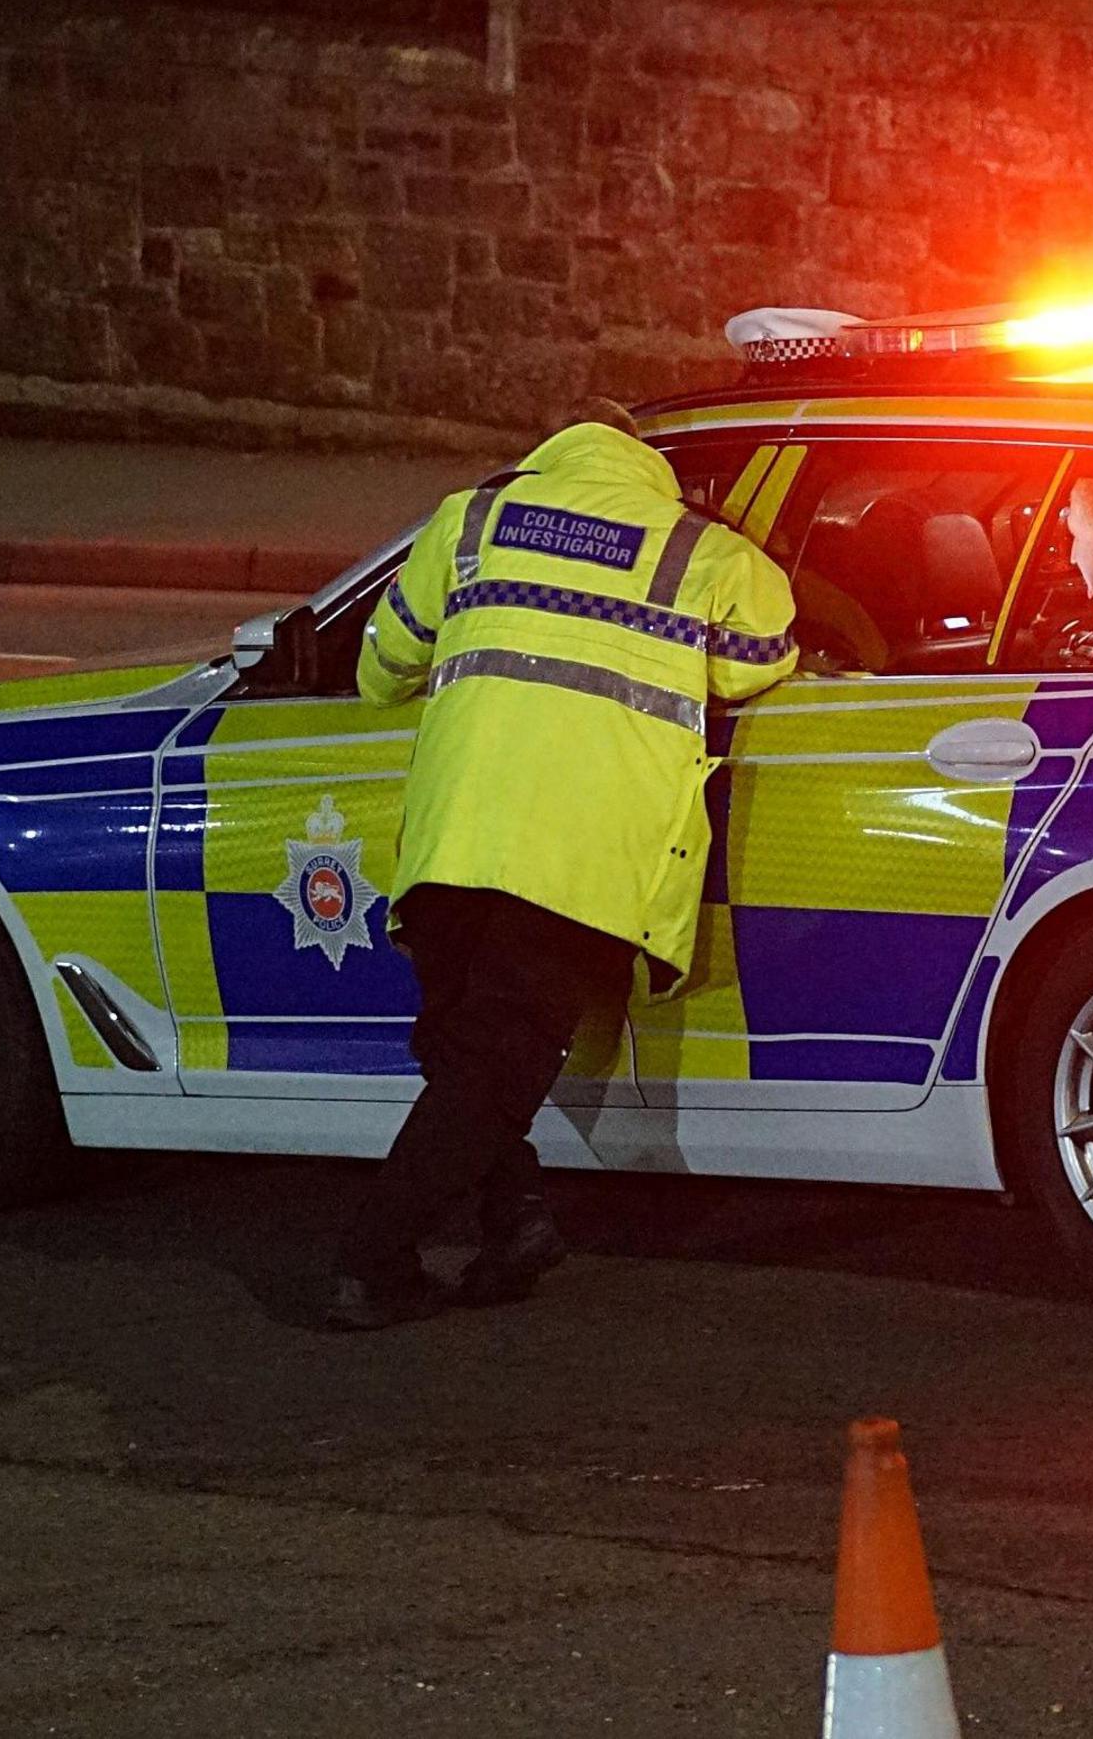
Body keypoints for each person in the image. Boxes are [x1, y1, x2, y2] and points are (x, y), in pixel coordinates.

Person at [327, 403, 800, 1329]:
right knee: (487, 1069)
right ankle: (385, 1257)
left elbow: (380, 669)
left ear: (550, 449)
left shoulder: (470, 520)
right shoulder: (693, 548)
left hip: (454, 845)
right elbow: (764, 655)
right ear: (643, 461)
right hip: (579, 861)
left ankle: (500, 1228)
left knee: (465, 1053)